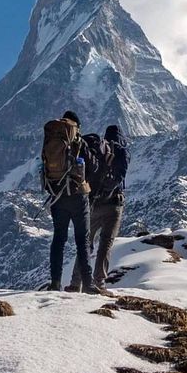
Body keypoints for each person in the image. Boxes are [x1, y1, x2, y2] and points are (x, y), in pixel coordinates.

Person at [66, 125, 130, 292]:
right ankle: (99, 283)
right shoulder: (122, 151)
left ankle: (75, 284)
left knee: (86, 244)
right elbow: (120, 177)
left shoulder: (98, 151)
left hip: (93, 204)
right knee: (105, 245)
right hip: (114, 205)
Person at [42, 110, 100, 294]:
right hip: (78, 196)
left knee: (58, 239)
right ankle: (88, 284)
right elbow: (94, 167)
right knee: (82, 241)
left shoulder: (52, 138)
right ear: (76, 126)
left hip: (57, 196)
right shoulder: (78, 142)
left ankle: (55, 282)